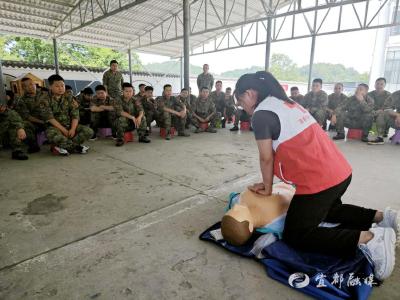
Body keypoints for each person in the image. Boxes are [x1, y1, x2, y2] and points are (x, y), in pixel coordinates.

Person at [233, 71, 397, 281]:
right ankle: (383, 217)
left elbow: (266, 157)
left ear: (249, 94)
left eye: (240, 102)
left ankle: (371, 239)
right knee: (329, 210)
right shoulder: (287, 103)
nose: (243, 108)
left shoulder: (262, 114)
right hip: (340, 172)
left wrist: (267, 187)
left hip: (319, 181)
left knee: (297, 234)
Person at [38, 74, 93, 155]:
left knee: (89, 131)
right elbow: (50, 118)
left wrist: (73, 129)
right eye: (57, 86)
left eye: (62, 85)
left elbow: (75, 114)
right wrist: (64, 130)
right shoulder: (44, 99)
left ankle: (63, 146)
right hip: (55, 127)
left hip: (69, 125)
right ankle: (77, 147)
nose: (61, 88)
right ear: (50, 87)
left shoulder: (69, 97)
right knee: (51, 134)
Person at [14, 77, 45, 153]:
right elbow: (27, 116)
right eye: (26, 86)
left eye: (31, 84)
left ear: (35, 84)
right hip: (36, 123)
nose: (30, 87)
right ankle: (33, 144)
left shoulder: (45, 94)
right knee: (25, 124)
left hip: (51, 119)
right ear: (23, 88)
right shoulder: (21, 100)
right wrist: (42, 122)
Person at [367, 77, 392, 144]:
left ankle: (383, 133)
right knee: (366, 114)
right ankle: (365, 131)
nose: (379, 86)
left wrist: (381, 110)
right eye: (377, 84)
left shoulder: (389, 95)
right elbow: (367, 106)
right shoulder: (369, 94)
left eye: (381, 84)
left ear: (384, 85)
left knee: (383, 114)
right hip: (372, 112)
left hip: (382, 113)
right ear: (375, 85)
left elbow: (390, 107)